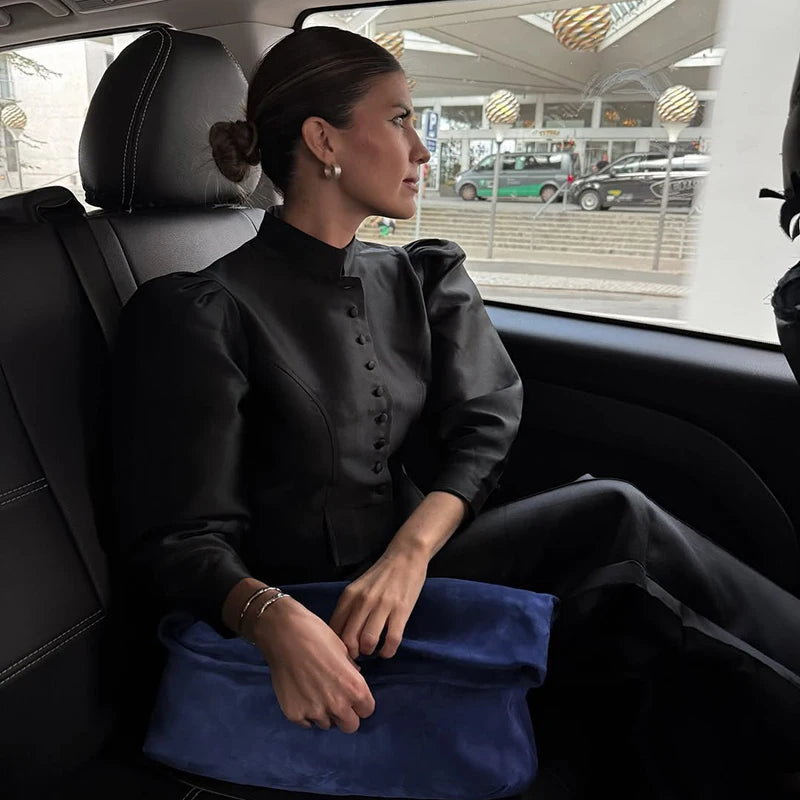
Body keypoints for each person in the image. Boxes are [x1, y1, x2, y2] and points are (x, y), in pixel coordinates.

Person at [112, 26, 800, 800]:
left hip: (415, 574)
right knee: (616, 521)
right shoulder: (200, 311)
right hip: (316, 612)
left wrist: (409, 555)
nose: (423, 151)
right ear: (323, 140)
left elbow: (486, 425)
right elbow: (180, 537)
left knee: (624, 580)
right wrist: (272, 619)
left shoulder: (418, 277)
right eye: (400, 119)